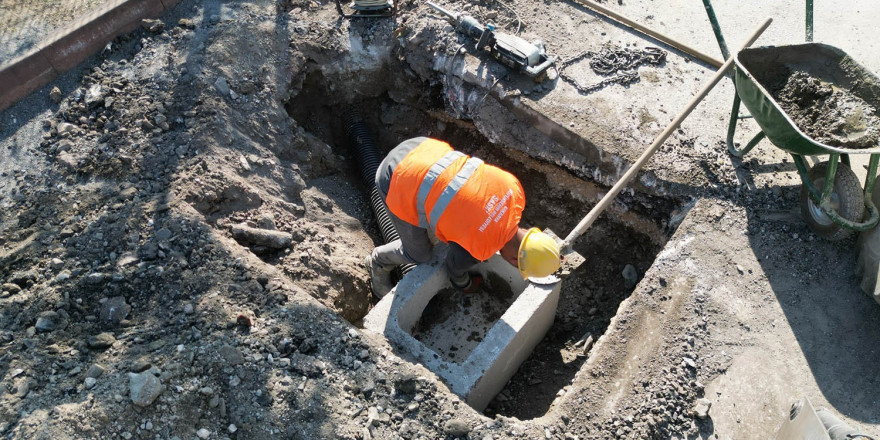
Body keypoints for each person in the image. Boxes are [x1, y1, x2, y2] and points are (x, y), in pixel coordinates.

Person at [365, 136, 561, 298]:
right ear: (511, 260)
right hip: (395, 179)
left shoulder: (515, 192)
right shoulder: (479, 247)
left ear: (530, 231)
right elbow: (454, 269)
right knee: (420, 254)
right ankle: (378, 261)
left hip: (424, 147)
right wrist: (466, 285)